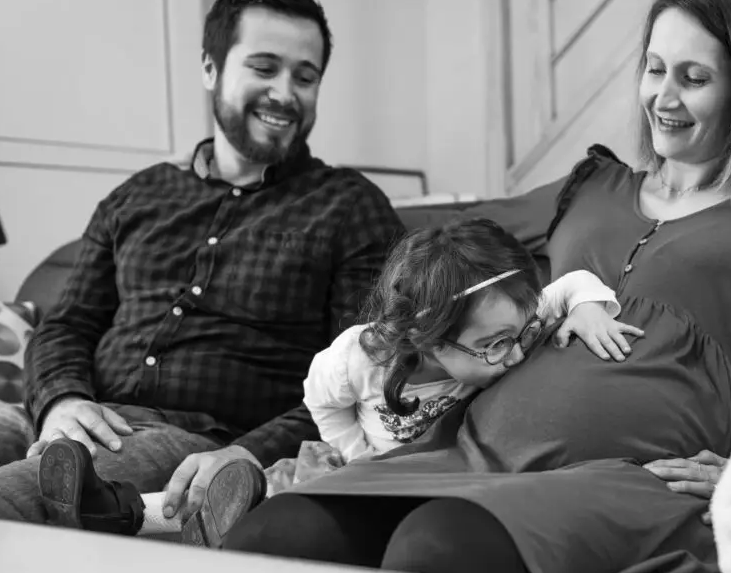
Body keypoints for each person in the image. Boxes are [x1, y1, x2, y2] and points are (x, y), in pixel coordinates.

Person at [215, 0, 731, 573]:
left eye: (694, 77)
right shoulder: (592, 186)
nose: (664, 98)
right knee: (275, 536)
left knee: (437, 550)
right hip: (468, 449)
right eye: (654, 70)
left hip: (631, 478)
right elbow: (441, 241)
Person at [0, 0, 404, 523]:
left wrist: (248, 454)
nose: (285, 93)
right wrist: (61, 401)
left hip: (190, 438)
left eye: (306, 76)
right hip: (57, 417)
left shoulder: (349, 206)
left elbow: (365, 373)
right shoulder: (138, 196)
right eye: (264, 68)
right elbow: (68, 324)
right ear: (210, 68)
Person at [36, 217, 642, 545]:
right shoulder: (359, 357)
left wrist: (589, 305)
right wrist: (357, 457)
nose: (515, 356)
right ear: (428, 338)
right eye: (491, 347)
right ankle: (113, 507)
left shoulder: (508, 321)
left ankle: (188, 520)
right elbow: (320, 401)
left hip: (413, 476)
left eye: (520, 333)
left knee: (262, 499)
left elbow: (570, 286)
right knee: (275, 490)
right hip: (355, 463)